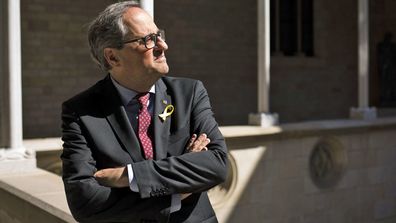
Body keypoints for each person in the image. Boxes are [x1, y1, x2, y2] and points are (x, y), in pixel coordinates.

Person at [61, 1, 228, 223]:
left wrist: (130, 175)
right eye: (148, 40)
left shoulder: (189, 93)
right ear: (112, 57)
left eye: (159, 35)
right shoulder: (81, 112)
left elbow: (217, 164)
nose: (163, 46)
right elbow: (85, 202)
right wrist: (178, 190)